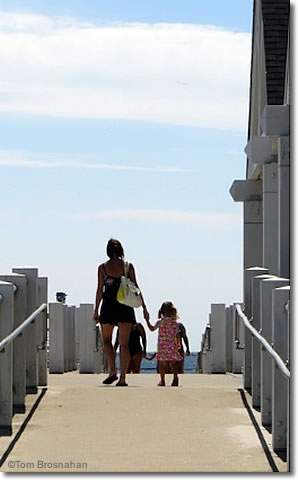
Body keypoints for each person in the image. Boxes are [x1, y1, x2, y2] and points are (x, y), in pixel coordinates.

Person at [93, 238, 149, 386]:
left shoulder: (103, 268)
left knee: (106, 340)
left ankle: (113, 370)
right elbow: (136, 288)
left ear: (108, 251)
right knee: (124, 344)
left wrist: (96, 310)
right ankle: (123, 378)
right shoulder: (128, 266)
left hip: (109, 306)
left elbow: (100, 290)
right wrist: (144, 307)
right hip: (125, 306)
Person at [145, 301, 183, 387]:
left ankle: (162, 380)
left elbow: (151, 328)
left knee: (162, 364)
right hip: (172, 346)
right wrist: (178, 343)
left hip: (162, 346)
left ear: (161, 312)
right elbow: (177, 334)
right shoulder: (174, 323)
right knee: (173, 363)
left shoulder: (160, 322)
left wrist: (147, 320)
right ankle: (175, 377)